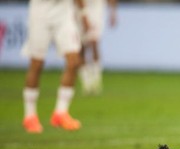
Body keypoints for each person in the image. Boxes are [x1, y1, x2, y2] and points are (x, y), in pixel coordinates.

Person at [22, 0, 88, 134]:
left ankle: (61, 113)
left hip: (63, 12)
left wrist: (83, 13)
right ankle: (30, 116)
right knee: (37, 64)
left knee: (74, 61)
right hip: (41, 11)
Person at [76, 0, 118, 95]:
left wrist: (113, 13)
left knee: (94, 43)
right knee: (82, 48)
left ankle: (96, 81)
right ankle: (86, 83)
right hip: (81, 12)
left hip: (97, 12)